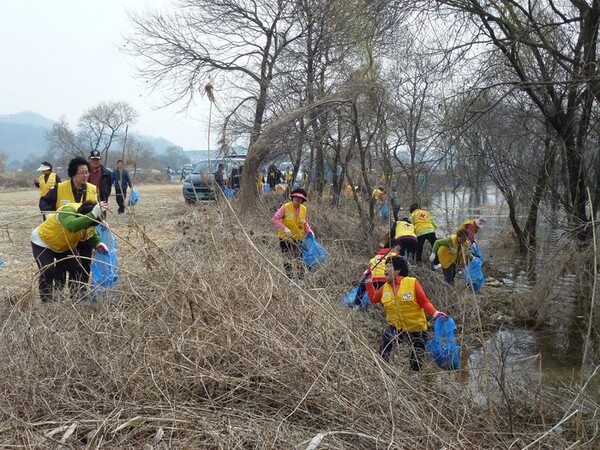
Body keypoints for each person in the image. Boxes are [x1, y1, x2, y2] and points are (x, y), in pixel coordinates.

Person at [365, 255, 448, 370]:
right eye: (385, 266)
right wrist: (369, 281)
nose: (385, 270)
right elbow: (373, 298)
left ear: (398, 270)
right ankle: (382, 367)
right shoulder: (385, 288)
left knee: (417, 357)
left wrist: (435, 314)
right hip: (397, 327)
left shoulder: (412, 283)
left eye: (389, 266)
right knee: (387, 335)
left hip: (416, 328)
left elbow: (424, 302)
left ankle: (414, 375)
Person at [31, 200, 109, 302]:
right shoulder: (67, 211)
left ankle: (76, 298)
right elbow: (72, 225)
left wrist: (98, 242)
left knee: (77, 269)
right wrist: (93, 214)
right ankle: (46, 301)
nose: (89, 227)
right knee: (48, 270)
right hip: (44, 241)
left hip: (65, 245)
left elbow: (90, 231)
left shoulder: (88, 218)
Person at [40, 157, 99, 287]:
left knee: (83, 266)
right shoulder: (59, 188)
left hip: (85, 235)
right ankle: (59, 293)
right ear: (73, 173)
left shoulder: (92, 189)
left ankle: (79, 295)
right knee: (62, 265)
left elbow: (96, 208)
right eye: (81, 173)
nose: (85, 176)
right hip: (65, 235)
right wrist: (49, 215)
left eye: (87, 172)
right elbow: (44, 201)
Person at [272, 188, 313, 283]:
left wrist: (309, 231)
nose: (297, 200)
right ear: (292, 197)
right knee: (287, 258)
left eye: (300, 198)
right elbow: (275, 219)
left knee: (299, 259)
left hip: (298, 238)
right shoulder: (285, 207)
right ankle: (289, 279)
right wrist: (285, 229)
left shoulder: (304, 209)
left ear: (303, 200)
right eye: (296, 197)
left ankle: (300, 279)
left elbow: (304, 222)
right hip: (285, 238)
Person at [353, 239, 401, 307]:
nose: (398, 252)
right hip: (385, 280)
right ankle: (384, 306)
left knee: (363, 285)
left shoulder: (375, 258)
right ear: (391, 248)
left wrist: (361, 282)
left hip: (372, 280)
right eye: (397, 249)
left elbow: (367, 272)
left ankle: (356, 304)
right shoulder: (395, 256)